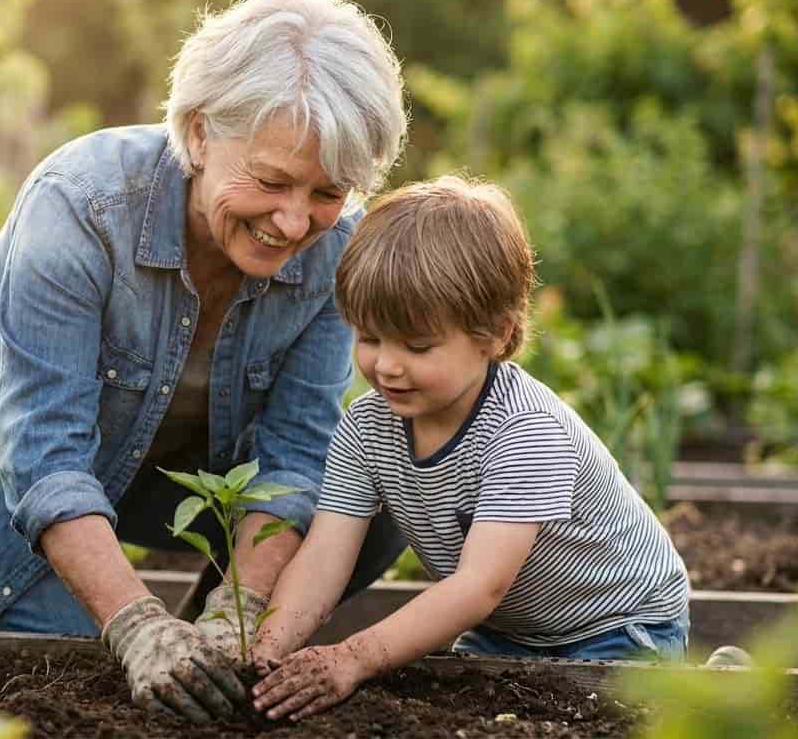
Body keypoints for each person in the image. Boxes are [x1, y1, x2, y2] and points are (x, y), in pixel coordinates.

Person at [0, 0, 409, 723]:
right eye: (270, 181)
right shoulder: (81, 208)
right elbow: (44, 456)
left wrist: (238, 615)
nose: (295, 222)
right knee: (78, 681)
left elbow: (296, 455)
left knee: (385, 475)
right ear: (198, 134)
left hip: (164, 471)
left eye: (328, 191)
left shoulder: (335, 252)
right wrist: (133, 626)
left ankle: (197, 636)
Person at [249, 176, 692, 722]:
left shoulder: (523, 431)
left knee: (588, 721)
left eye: (416, 346)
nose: (386, 365)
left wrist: (353, 657)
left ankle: (713, 683)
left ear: (495, 335)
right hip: (506, 631)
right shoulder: (367, 427)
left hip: (615, 626)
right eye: (368, 338)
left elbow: (481, 585)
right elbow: (322, 558)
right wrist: (268, 651)